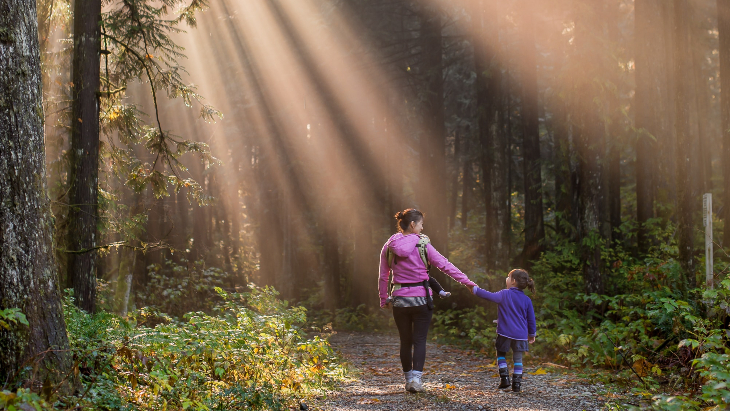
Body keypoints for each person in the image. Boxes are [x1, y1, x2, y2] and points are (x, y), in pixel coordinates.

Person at [379, 208, 477, 393]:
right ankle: (416, 380)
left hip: (400, 299)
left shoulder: (389, 245)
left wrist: (384, 299)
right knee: (420, 340)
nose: (423, 228)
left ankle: (408, 380)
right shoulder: (423, 244)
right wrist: (467, 282)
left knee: (405, 341)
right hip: (422, 300)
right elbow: (445, 265)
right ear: (413, 224)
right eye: (422, 224)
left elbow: (383, 276)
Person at [471, 269, 536, 393]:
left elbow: (489, 295)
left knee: (501, 354)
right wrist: (531, 334)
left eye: (508, 277)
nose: (506, 279)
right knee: (518, 359)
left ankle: (505, 379)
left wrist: (474, 289)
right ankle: (517, 385)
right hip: (521, 335)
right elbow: (531, 319)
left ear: (513, 281)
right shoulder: (527, 300)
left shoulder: (504, 294)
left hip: (505, 333)